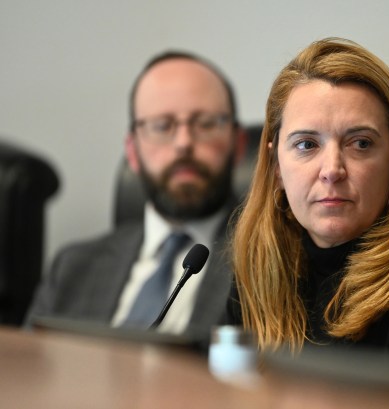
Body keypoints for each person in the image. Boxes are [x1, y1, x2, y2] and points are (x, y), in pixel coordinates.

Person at [227, 38, 389, 357]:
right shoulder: (262, 260)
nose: (332, 170)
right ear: (275, 165)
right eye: (307, 145)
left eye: (360, 143)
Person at [27, 50, 244, 337]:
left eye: (205, 123)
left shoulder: (272, 263)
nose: (183, 143)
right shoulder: (71, 268)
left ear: (238, 145)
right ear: (132, 150)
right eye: (162, 126)